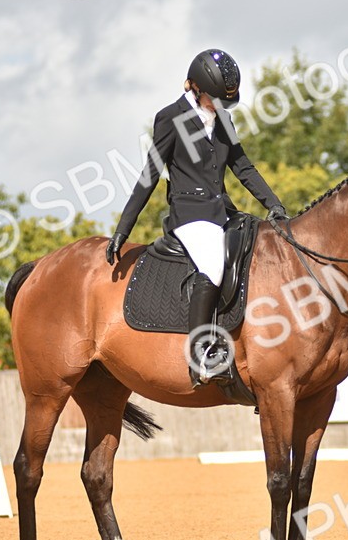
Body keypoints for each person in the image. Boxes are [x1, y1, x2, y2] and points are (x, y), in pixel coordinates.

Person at [106, 49, 287, 387]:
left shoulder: (224, 120)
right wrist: (123, 228)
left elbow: (243, 168)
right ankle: (200, 350)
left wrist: (274, 205)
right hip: (189, 215)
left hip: (223, 212)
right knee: (213, 262)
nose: (218, 105)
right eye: (213, 98)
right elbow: (149, 175)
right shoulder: (170, 119)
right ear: (194, 88)